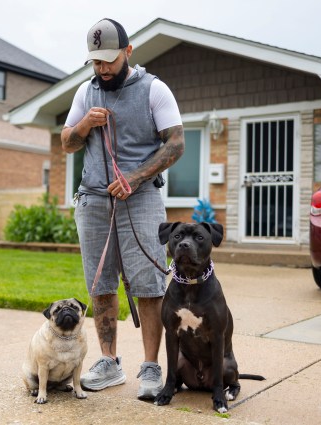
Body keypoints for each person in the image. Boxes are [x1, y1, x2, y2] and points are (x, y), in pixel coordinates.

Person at [61, 18, 184, 400]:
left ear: (128, 52)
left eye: (109, 61)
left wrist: (136, 177)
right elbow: (67, 142)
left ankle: (150, 367)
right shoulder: (86, 91)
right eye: (96, 62)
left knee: (148, 283)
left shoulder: (154, 89)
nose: (102, 68)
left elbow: (176, 144)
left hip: (141, 197)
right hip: (94, 199)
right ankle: (110, 363)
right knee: (100, 286)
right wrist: (83, 124)